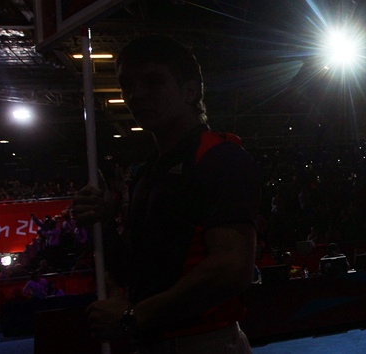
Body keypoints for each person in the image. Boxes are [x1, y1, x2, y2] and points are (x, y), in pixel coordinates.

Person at [72, 34, 261, 353]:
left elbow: (232, 268)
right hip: (151, 340)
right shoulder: (147, 172)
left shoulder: (220, 158)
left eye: (153, 82)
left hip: (202, 342)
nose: (136, 94)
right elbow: (138, 273)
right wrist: (103, 223)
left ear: (190, 91)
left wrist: (134, 316)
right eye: (126, 84)